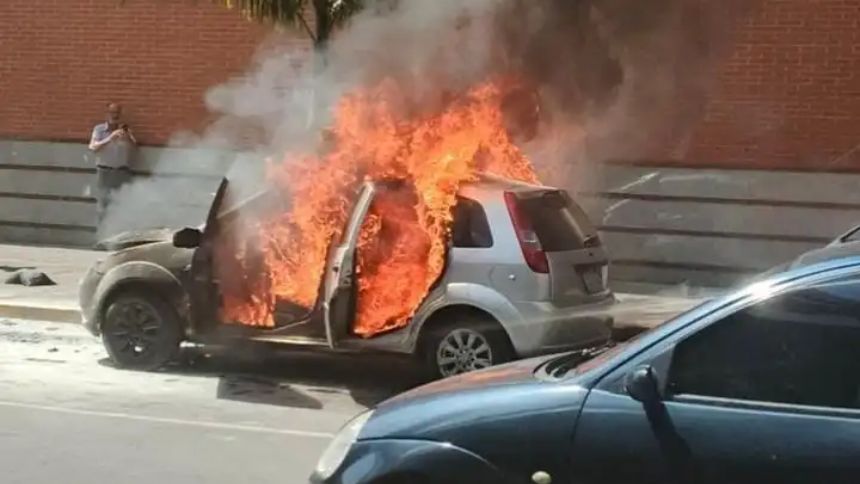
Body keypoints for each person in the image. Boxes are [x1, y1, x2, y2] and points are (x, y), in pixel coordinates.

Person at [89, 102, 137, 225]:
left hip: (121, 171)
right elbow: (93, 147)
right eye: (112, 112)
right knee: (103, 205)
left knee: (121, 204)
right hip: (104, 172)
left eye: (117, 113)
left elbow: (134, 149)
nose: (114, 116)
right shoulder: (99, 129)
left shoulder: (125, 130)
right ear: (107, 114)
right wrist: (110, 138)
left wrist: (127, 137)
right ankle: (101, 235)